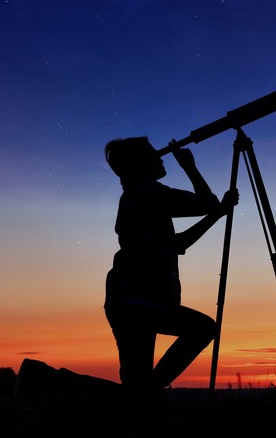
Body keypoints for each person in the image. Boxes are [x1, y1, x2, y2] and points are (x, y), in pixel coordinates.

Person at [103, 135, 239, 400]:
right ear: (141, 164)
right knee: (202, 330)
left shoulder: (135, 196)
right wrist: (189, 166)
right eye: (154, 154)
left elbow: (177, 243)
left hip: (128, 300)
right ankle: (48, 381)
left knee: (135, 386)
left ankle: (46, 382)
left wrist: (219, 212)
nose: (161, 157)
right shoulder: (151, 193)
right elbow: (205, 203)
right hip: (141, 301)